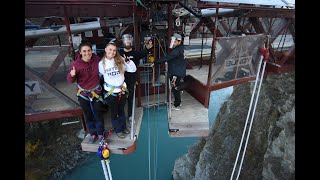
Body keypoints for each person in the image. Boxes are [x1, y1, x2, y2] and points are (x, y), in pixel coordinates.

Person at [67, 41, 105, 143]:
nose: (87, 53)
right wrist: (72, 74)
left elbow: (105, 65)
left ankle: (101, 133)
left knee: (98, 112)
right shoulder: (76, 65)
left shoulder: (96, 59)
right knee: (88, 114)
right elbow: (70, 80)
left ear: (91, 51)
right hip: (83, 94)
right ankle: (93, 134)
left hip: (96, 92)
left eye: (89, 51)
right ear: (80, 52)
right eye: (84, 51)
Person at [99, 41, 137, 139]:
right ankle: (118, 129)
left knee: (121, 111)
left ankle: (123, 127)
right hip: (111, 93)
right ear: (106, 50)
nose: (112, 52)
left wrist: (127, 61)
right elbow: (101, 75)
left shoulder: (120, 60)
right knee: (114, 112)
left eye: (114, 50)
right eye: (110, 50)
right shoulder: (101, 64)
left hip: (122, 91)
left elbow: (132, 69)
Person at [119, 34, 153, 124]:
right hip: (120, 81)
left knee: (130, 98)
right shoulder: (118, 53)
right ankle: (120, 117)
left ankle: (130, 116)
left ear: (132, 41)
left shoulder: (136, 53)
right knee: (120, 99)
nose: (127, 41)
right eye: (126, 40)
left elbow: (145, 51)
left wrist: (148, 47)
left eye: (129, 40)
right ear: (122, 41)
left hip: (132, 80)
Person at [153, 33, 186, 110]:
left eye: (174, 41)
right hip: (178, 71)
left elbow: (167, 58)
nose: (172, 42)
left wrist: (155, 61)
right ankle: (178, 102)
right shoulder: (181, 48)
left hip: (176, 72)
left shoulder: (177, 51)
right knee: (175, 87)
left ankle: (177, 105)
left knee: (175, 88)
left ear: (179, 41)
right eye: (172, 41)